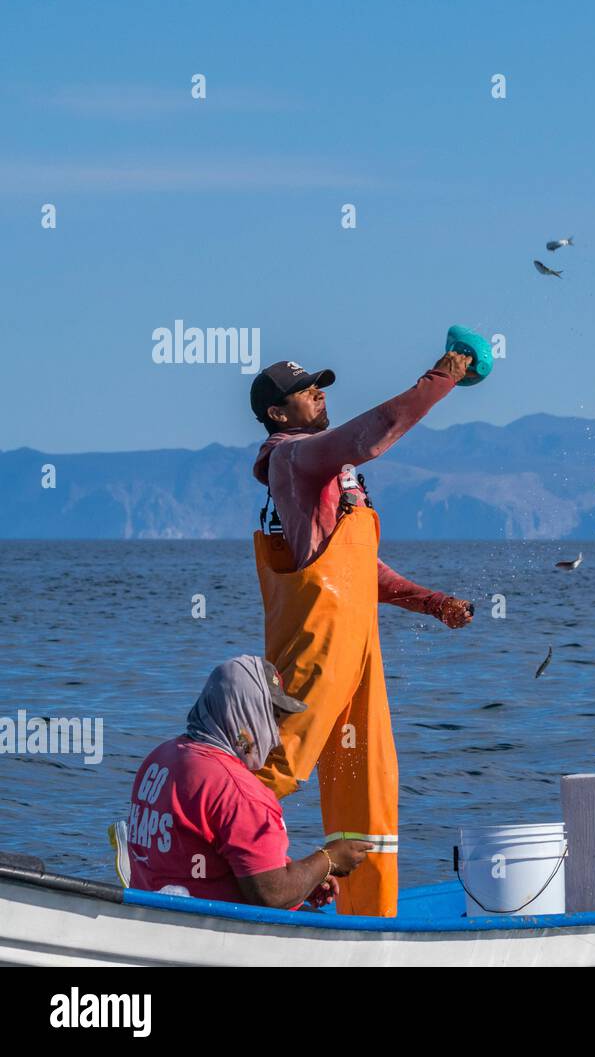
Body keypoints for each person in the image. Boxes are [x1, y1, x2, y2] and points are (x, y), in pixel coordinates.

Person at [249, 353, 475, 916]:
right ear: (278, 413)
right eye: (305, 392)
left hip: (359, 648)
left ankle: (368, 915)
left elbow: (358, 567)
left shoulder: (332, 472)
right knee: (277, 766)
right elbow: (372, 436)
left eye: (320, 386)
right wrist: (441, 379)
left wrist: (434, 603)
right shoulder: (294, 458)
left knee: (367, 780)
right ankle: (176, 850)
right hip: (316, 642)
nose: (320, 395)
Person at [126, 656, 373, 908]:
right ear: (244, 711)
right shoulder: (240, 792)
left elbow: (192, 856)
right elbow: (272, 895)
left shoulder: (160, 759)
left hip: (152, 911)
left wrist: (305, 881)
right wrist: (328, 860)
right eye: (273, 717)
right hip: (207, 927)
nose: (275, 736)